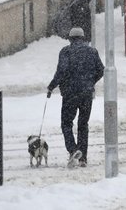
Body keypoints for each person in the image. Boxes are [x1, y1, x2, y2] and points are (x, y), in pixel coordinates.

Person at [47, 26, 105, 168]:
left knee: (66, 123)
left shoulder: (66, 52)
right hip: (86, 94)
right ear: (83, 38)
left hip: (70, 94)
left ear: (70, 39)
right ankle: (83, 157)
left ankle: (73, 149)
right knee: (83, 125)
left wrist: (51, 86)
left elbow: (61, 72)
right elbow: (101, 70)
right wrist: (90, 82)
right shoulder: (92, 51)